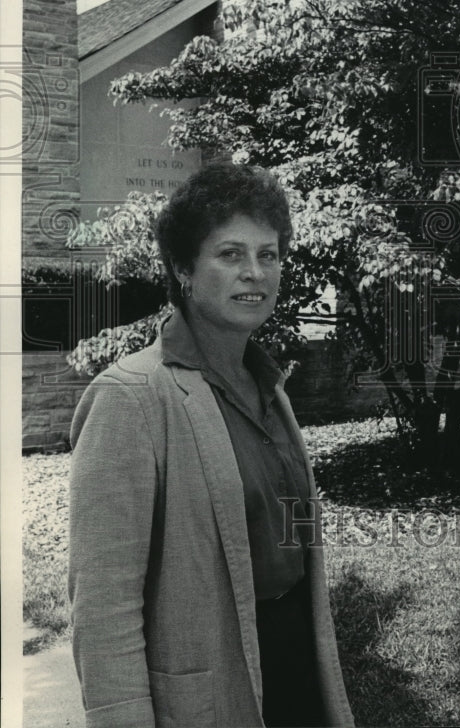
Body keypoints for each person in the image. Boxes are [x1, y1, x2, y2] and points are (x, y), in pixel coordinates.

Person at [68, 161, 354, 728]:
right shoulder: (131, 398)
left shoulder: (270, 385)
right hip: (209, 690)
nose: (255, 272)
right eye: (230, 254)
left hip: (296, 666)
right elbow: (103, 610)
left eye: (268, 254)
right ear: (184, 269)